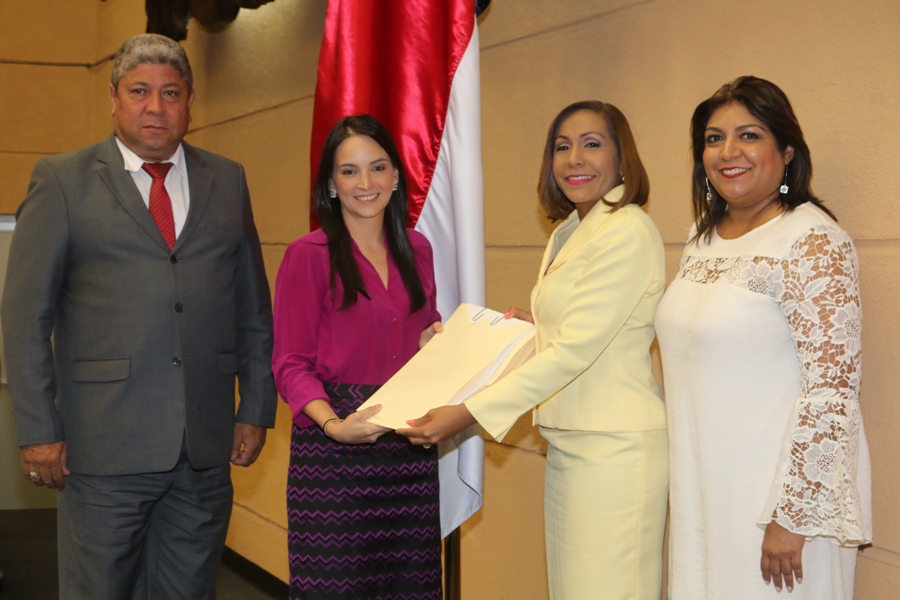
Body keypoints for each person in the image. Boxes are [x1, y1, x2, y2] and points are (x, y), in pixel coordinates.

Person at [1, 33, 276, 599]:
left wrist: (254, 407)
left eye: (171, 92)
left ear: (190, 102)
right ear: (113, 98)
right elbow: (25, 317)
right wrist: (38, 430)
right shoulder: (62, 181)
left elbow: (252, 307)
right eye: (139, 91)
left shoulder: (227, 179)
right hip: (101, 449)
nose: (156, 107)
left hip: (205, 450)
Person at [398, 101, 669, 600]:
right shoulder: (571, 230)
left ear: (621, 158)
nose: (574, 158)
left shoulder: (626, 229)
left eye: (592, 144)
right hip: (572, 442)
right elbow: (576, 332)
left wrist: (466, 412)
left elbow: (573, 353)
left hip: (614, 451)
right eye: (562, 147)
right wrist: (531, 329)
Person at [654, 76, 872, 598]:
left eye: (748, 135)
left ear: (787, 151)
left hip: (776, 509)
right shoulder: (701, 238)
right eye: (714, 138)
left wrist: (792, 516)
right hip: (705, 492)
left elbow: (832, 391)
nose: (728, 151)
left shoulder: (812, 240)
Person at [272, 114, 444, 599]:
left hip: (408, 450)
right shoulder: (308, 255)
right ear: (331, 184)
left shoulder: (418, 249)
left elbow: (424, 331)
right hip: (333, 454)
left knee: (411, 588)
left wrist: (435, 344)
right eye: (349, 171)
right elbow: (290, 362)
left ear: (396, 176)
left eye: (378, 167)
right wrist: (333, 425)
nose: (366, 183)